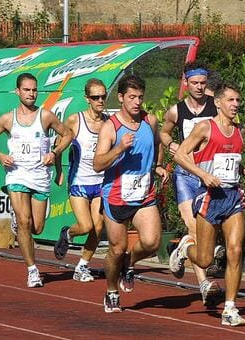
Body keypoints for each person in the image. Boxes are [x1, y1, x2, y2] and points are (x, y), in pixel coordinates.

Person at [170, 82, 245, 326]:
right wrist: (202, 175)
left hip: (232, 197)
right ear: (218, 103)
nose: (235, 105)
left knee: (235, 251)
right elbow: (180, 154)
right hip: (209, 197)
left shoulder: (239, 129)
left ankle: (230, 308)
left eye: (237, 101)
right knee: (204, 260)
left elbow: (230, 162)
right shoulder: (205, 127)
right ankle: (184, 250)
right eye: (231, 100)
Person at [0, 73, 72, 288]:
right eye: (27, 90)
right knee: (24, 221)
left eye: (34, 90)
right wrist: (1, 156)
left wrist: (54, 153)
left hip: (40, 176)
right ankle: (32, 270)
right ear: (18, 92)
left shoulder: (46, 116)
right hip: (17, 174)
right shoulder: (7, 118)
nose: (31, 94)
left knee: (37, 227)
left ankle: (22, 228)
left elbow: (67, 134)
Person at [94, 74, 168, 313]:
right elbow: (97, 164)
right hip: (116, 195)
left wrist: (157, 165)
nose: (137, 102)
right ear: (121, 98)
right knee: (116, 248)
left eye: (140, 97)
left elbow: (157, 143)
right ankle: (111, 291)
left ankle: (130, 261)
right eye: (132, 97)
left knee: (151, 242)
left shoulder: (150, 121)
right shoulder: (111, 127)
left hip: (143, 195)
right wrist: (119, 149)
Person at [160, 62, 223, 306]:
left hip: (209, 173)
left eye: (202, 83)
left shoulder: (214, 105)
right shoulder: (176, 111)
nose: (198, 87)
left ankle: (185, 249)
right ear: (185, 82)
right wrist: (170, 144)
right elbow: (164, 132)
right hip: (186, 174)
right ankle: (204, 283)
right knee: (193, 225)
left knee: (207, 228)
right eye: (194, 83)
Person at [52, 78, 109, 282]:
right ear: (87, 99)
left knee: (98, 227)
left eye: (103, 96)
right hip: (79, 180)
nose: (100, 100)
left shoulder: (108, 121)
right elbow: (58, 146)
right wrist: (58, 171)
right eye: (96, 97)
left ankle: (82, 266)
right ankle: (68, 233)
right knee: (85, 226)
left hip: (100, 181)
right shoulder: (75, 120)